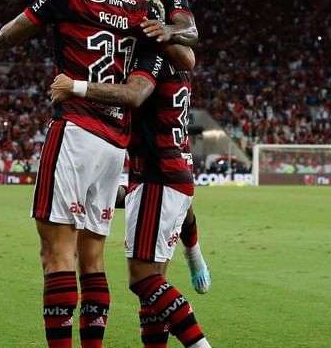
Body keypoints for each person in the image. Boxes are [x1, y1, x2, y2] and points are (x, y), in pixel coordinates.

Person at [0, 0, 185, 348]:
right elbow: (183, 53)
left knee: (57, 255)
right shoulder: (140, 7)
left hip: (76, 131)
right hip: (115, 143)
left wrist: (47, 0)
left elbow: (6, 37)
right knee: (93, 259)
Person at [50, 43, 211, 348]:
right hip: (170, 176)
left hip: (156, 175)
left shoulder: (151, 60)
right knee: (153, 291)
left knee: (142, 278)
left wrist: (76, 87)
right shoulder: (178, 63)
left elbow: (132, 95)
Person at [117, 0, 210, 294]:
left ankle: (191, 253)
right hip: (124, 92)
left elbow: (191, 34)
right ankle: (191, 250)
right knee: (169, 189)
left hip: (157, 92)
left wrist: (166, 31)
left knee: (171, 184)